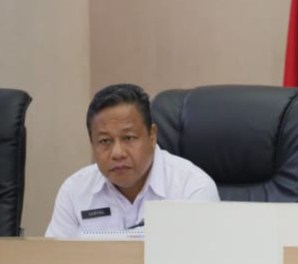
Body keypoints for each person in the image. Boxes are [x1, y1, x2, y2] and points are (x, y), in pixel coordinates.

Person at [45, 84, 219, 238]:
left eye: (128, 138)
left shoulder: (192, 189)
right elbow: (55, 260)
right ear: (92, 144)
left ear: (152, 136)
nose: (117, 153)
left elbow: (203, 261)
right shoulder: (75, 191)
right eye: (105, 141)